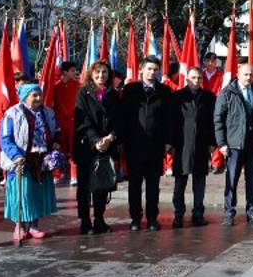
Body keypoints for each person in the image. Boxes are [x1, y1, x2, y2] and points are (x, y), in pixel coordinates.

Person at [0, 83, 61, 241]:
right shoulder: (12, 114)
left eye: (39, 94)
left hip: (41, 161)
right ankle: (19, 226)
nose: (38, 98)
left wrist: (56, 142)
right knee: (22, 194)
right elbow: (5, 139)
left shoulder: (47, 112)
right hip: (21, 160)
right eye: (34, 95)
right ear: (25, 97)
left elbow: (57, 130)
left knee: (37, 195)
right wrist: (15, 156)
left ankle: (34, 226)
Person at [119, 57, 173, 231]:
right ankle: (135, 218)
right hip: (134, 145)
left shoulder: (164, 91)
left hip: (155, 146)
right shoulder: (130, 89)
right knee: (134, 185)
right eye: (149, 69)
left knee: (153, 185)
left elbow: (168, 119)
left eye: (155, 69)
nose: (152, 72)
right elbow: (124, 117)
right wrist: (122, 141)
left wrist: (168, 142)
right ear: (141, 70)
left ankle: (152, 218)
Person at [214, 61, 253, 226]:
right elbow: (218, 120)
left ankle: (251, 211)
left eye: (251, 74)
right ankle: (229, 212)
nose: (249, 77)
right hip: (234, 145)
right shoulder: (227, 93)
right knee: (232, 179)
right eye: (245, 74)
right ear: (238, 74)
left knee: (252, 180)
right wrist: (222, 143)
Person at [73, 60, 118, 235]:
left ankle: (99, 219)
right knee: (84, 186)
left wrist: (110, 137)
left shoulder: (113, 95)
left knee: (102, 185)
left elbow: (119, 120)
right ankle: (85, 221)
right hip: (87, 146)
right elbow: (82, 120)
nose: (101, 76)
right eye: (98, 73)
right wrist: (96, 140)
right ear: (91, 74)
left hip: (107, 144)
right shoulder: (83, 93)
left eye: (104, 73)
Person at [170, 67, 215, 228]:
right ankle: (178, 215)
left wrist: (212, 143)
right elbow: (172, 122)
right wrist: (170, 144)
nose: (196, 81)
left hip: (202, 145)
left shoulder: (209, 97)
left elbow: (212, 122)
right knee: (180, 183)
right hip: (182, 145)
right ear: (187, 78)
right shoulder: (177, 97)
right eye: (193, 78)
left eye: (199, 78)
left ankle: (198, 214)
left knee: (199, 183)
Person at [52, 61, 80, 185]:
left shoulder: (78, 85)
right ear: (65, 72)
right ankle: (58, 174)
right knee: (59, 148)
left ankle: (74, 175)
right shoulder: (55, 87)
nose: (75, 73)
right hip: (59, 123)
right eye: (72, 70)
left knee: (74, 149)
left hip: (73, 122)